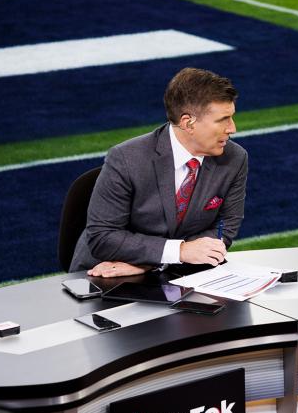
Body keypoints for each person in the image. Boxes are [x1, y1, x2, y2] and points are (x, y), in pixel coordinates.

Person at [70, 67, 247, 277]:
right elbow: (103, 237)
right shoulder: (126, 159)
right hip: (105, 273)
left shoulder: (235, 158)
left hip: (174, 273)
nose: (232, 128)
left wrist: (155, 263)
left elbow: (224, 228)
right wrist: (179, 251)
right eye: (223, 120)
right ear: (188, 123)